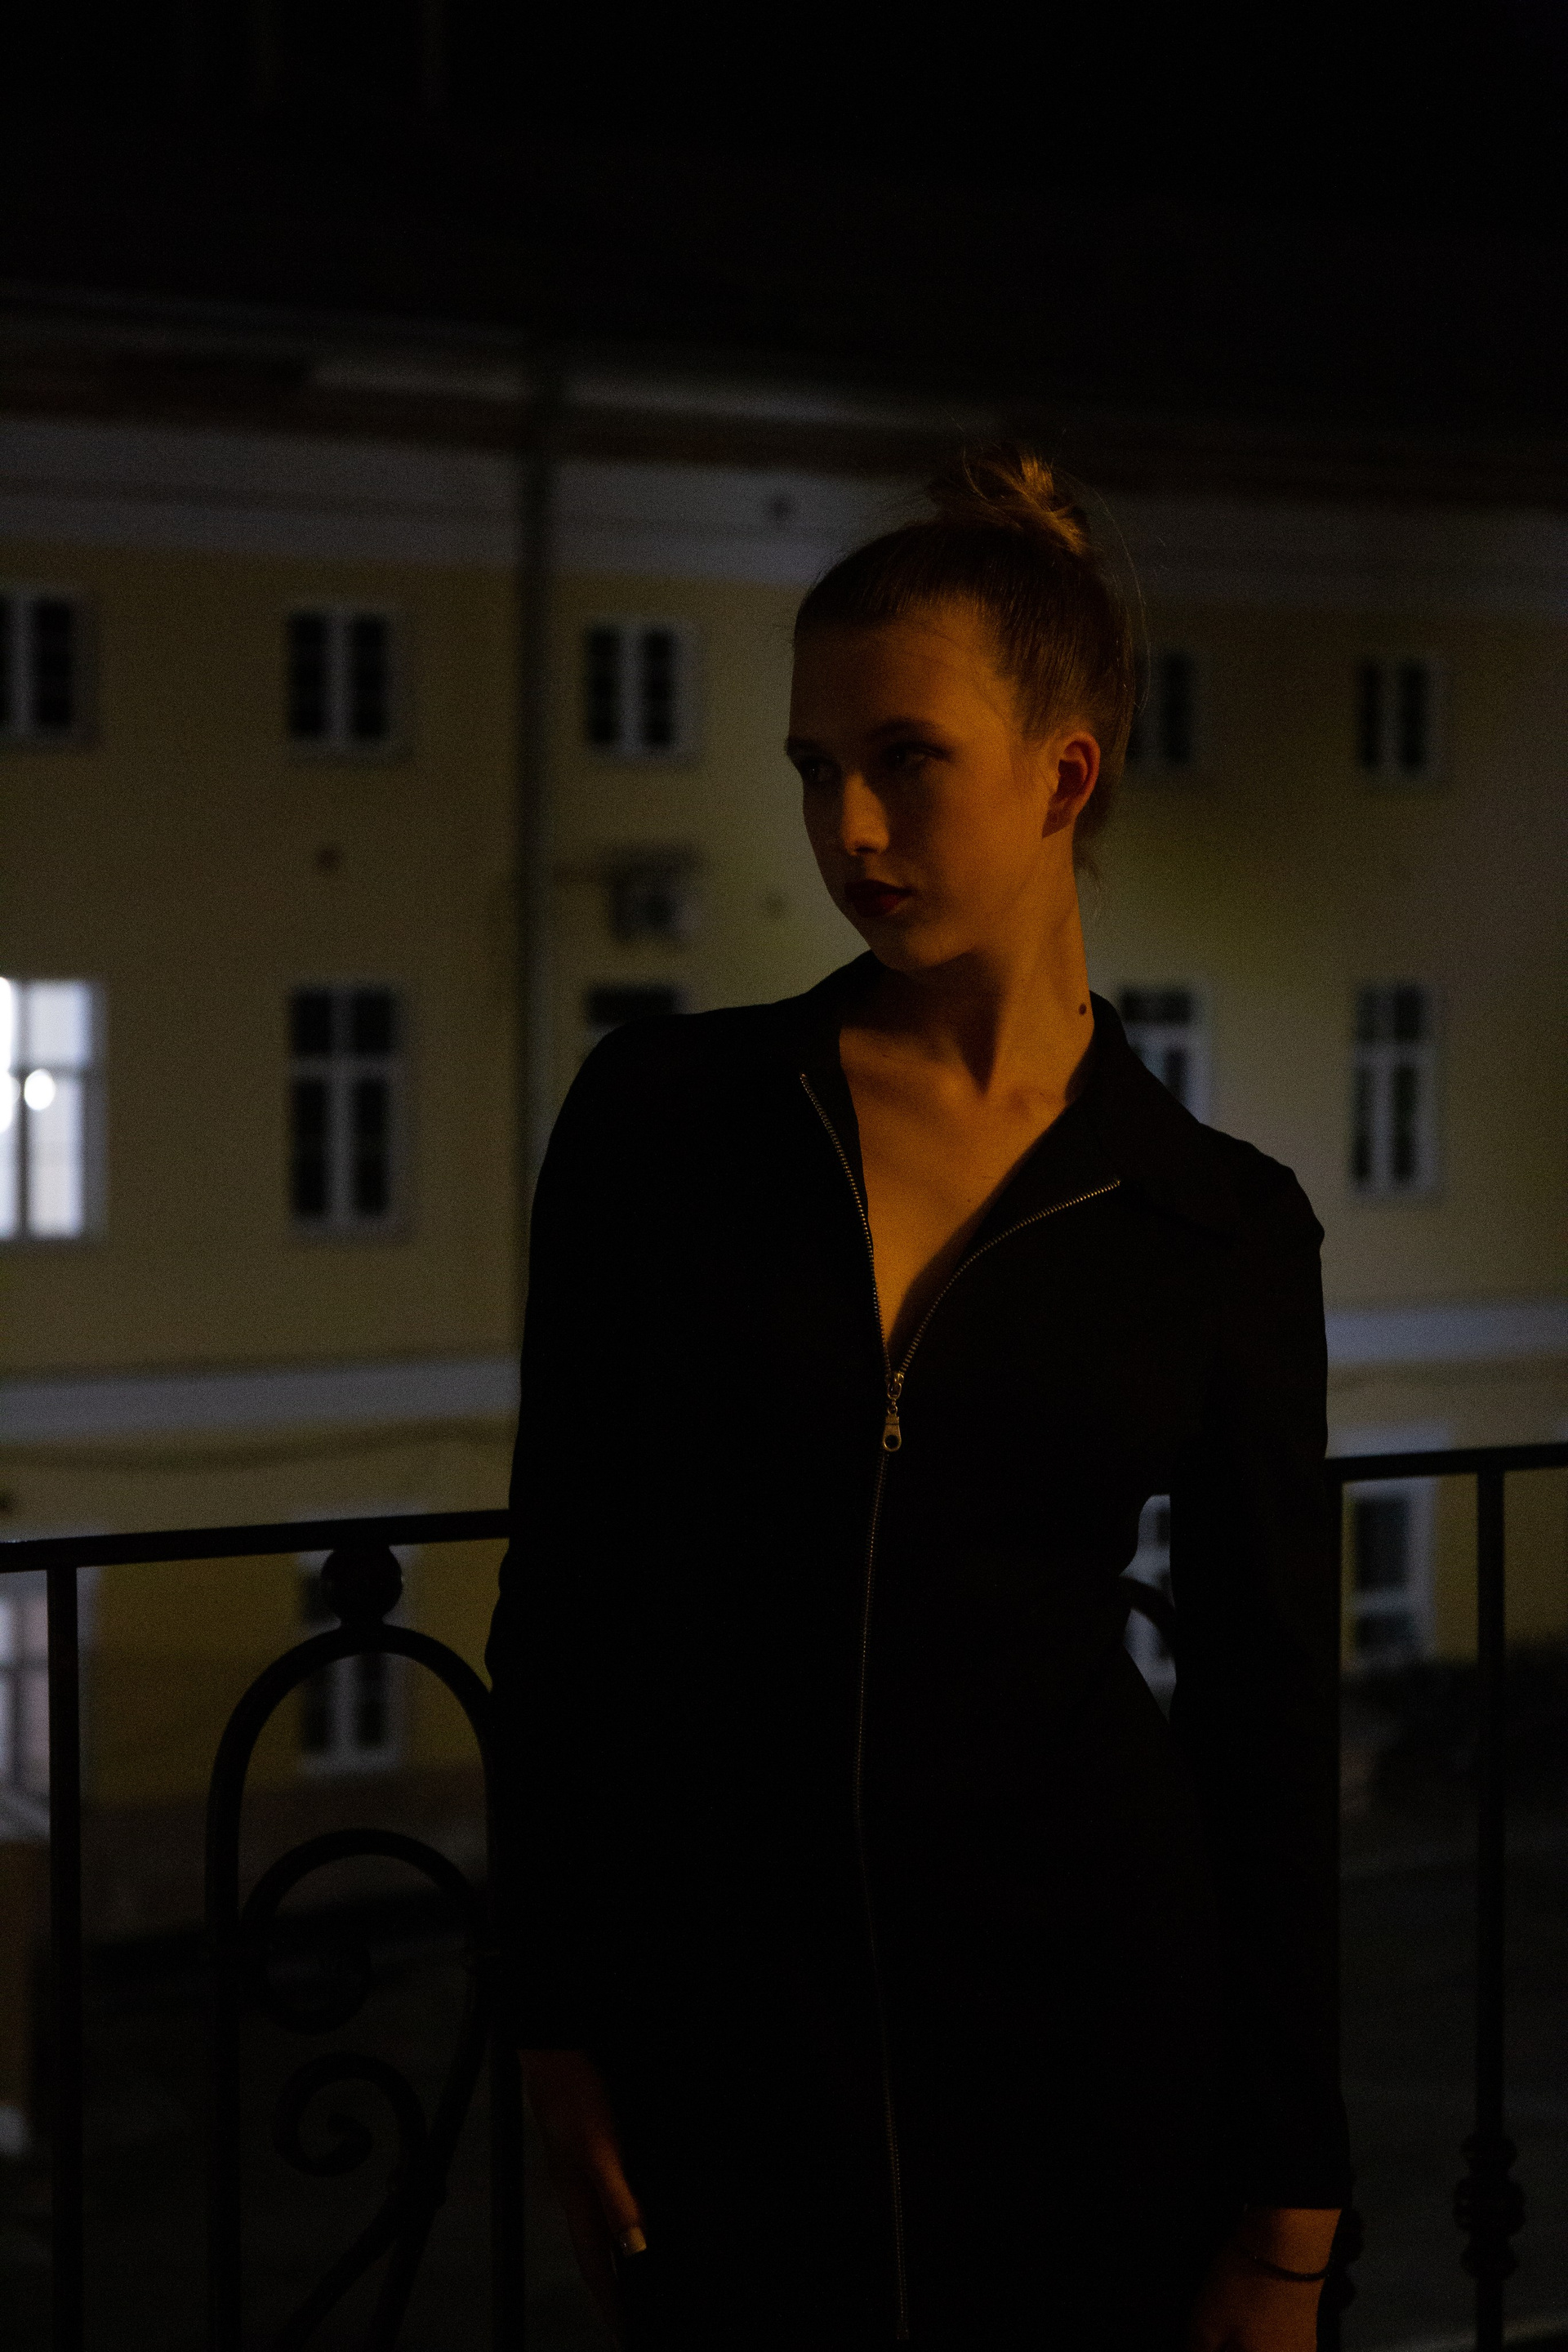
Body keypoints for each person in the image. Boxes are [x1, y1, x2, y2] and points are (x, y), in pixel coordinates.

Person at [488, 444, 1351, 2350]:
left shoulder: (1213, 1224)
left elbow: (1270, 1720)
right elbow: (564, 1594)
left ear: (1064, 773)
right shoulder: (667, 1124)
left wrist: (1293, 2201)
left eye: (904, 759)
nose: (848, 826)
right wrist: (553, 2020)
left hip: (1094, 2051)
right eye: (815, 768)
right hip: (732, 2049)